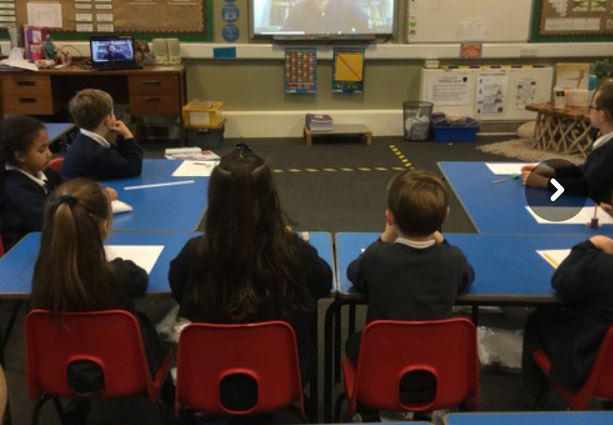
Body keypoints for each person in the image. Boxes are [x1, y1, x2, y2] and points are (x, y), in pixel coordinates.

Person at [168, 144, 332, 407]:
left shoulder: (195, 253)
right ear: (269, 198)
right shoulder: (294, 252)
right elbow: (323, 284)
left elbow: (178, 291)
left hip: (209, 379)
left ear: (215, 199)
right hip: (284, 379)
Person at [30, 178, 168, 425]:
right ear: (103, 226)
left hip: (59, 372)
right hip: (124, 370)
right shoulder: (118, 275)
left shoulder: (42, 276)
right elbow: (140, 280)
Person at [346, 170, 474, 404]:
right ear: (446, 215)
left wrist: (384, 238)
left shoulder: (377, 257)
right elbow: (467, 279)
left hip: (383, 366)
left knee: (354, 342)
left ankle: (374, 409)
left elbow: (354, 273)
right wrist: (442, 241)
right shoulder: (453, 258)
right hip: (436, 365)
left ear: (390, 217)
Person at [522, 184, 613, 408]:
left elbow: (561, 281)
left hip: (587, 362)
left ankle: (532, 398)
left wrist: (590, 245)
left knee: (539, 317)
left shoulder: (600, 266)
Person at [521, 81, 613, 203]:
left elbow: (584, 187)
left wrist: (544, 182)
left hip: (596, 207)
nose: (589, 111)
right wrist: (552, 172)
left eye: (591, 107)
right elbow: (585, 170)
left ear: (603, 115)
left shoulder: (611, 149)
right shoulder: (606, 140)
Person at [0, 116, 62, 251]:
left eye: (48, 147)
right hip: (26, 252)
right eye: (41, 150)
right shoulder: (15, 188)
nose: (50, 154)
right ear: (20, 156)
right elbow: (48, 221)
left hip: (49, 243)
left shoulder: (45, 172)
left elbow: (70, 188)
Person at [61, 88, 143, 181]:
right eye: (113, 113)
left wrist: (121, 136)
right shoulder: (96, 154)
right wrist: (128, 136)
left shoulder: (83, 140)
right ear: (108, 119)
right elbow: (133, 168)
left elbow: (117, 157)